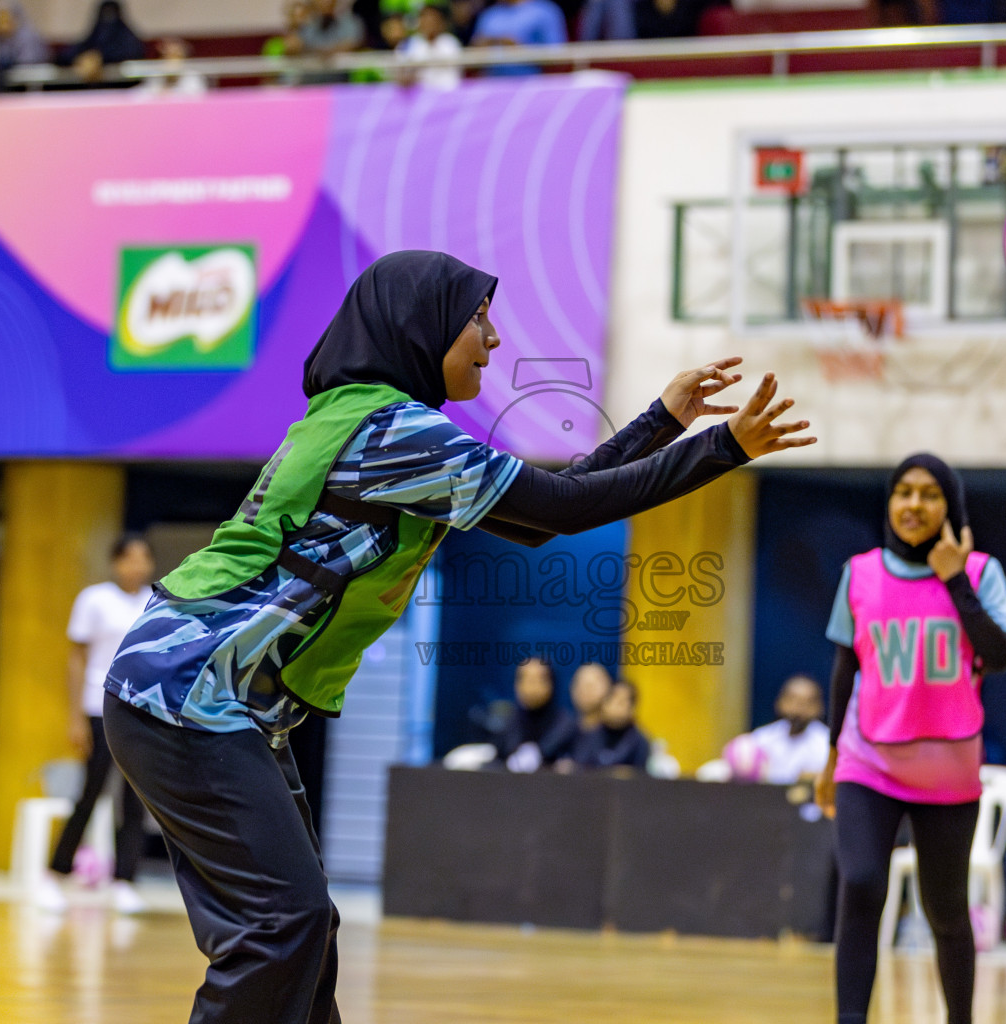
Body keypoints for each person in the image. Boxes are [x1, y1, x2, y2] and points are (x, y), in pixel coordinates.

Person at [101, 249, 812, 1023]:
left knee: (303, 931)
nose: (493, 339)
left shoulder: (371, 420)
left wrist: (663, 421)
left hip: (198, 696)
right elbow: (560, 513)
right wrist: (722, 447)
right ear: (422, 325)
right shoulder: (390, 430)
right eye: (479, 319)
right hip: (190, 693)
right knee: (284, 925)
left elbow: (553, 506)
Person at [814, 453, 1006, 1024]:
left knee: (947, 913)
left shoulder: (981, 572)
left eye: (929, 494)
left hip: (949, 772)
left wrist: (954, 579)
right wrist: (831, 757)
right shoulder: (860, 573)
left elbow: (999, 656)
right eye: (903, 492)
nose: (913, 504)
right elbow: (843, 670)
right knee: (860, 883)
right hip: (867, 760)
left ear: (948, 507)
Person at [36, 534, 156, 915]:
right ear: (115, 563)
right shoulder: (94, 599)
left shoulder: (158, 599)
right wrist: (74, 716)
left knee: (135, 799)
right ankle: (54, 874)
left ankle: (124, 880)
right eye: (128, 559)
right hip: (98, 705)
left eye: (142, 559)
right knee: (90, 792)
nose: (135, 566)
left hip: (141, 708)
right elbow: (76, 658)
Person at [730, 674, 829, 785]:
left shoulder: (827, 743)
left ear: (820, 707)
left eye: (808, 703)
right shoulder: (762, 737)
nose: (798, 708)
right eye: (792, 700)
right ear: (780, 702)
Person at [495, 657, 576, 772]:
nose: (530, 686)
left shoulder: (566, 725)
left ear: (551, 683)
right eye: (524, 679)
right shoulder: (508, 723)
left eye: (537, 679)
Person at [60, 0, 146, 87]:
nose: (108, 18)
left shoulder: (128, 39)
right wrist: (83, 58)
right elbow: (69, 55)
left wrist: (101, 58)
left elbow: (130, 54)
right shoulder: (95, 35)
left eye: (111, 13)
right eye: (105, 13)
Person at [469, 0, 565, 76]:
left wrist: (521, 50)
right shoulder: (488, 15)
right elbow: (471, 58)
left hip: (533, 85)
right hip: (490, 85)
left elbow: (559, 57)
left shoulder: (545, 11)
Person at [571, 679, 650, 772]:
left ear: (632, 709)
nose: (615, 705)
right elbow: (579, 768)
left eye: (621, 702)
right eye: (611, 699)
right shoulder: (589, 736)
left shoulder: (639, 742)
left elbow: (639, 777)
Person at [397, 0, 462, 88]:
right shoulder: (407, 44)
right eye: (425, 18)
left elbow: (456, 73)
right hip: (417, 95)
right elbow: (401, 75)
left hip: (447, 93)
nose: (429, 22)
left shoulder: (450, 42)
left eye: (433, 18)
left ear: (441, 21)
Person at [134, 37, 207, 97]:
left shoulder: (193, 77)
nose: (171, 60)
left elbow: (195, 98)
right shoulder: (155, 75)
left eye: (176, 56)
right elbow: (143, 94)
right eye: (166, 56)